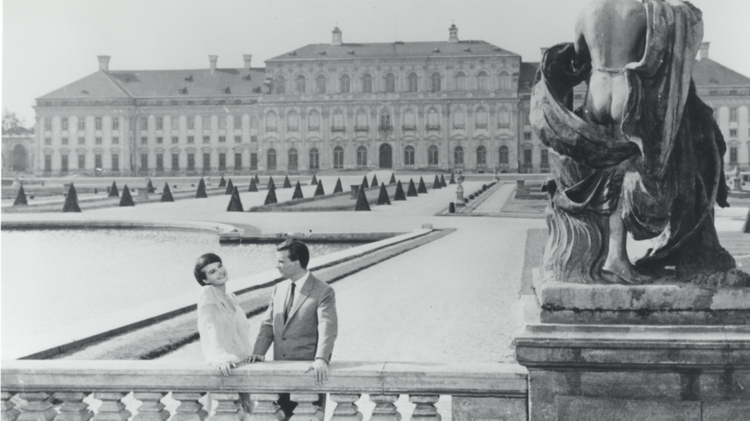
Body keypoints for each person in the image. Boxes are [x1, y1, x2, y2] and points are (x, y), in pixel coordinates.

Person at [249, 239, 338, 419]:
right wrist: (259, 352)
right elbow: (268, 324)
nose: (277, 266)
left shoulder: (323, 291)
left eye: (281, 261)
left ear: (296, 264)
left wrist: (321, 359)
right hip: (279, 372)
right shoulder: (279, 289)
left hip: (307, 373)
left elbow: (327, 328)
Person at [194, 253, 254, 417]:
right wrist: (220, 358)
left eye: (220, 266)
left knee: (246, 414)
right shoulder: (208, 292)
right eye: (212, 271)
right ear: (205, 280)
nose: (220, 271)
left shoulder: (231, 297)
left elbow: (241, 332)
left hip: (242, 366)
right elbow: (210, 327)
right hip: (227, 367)